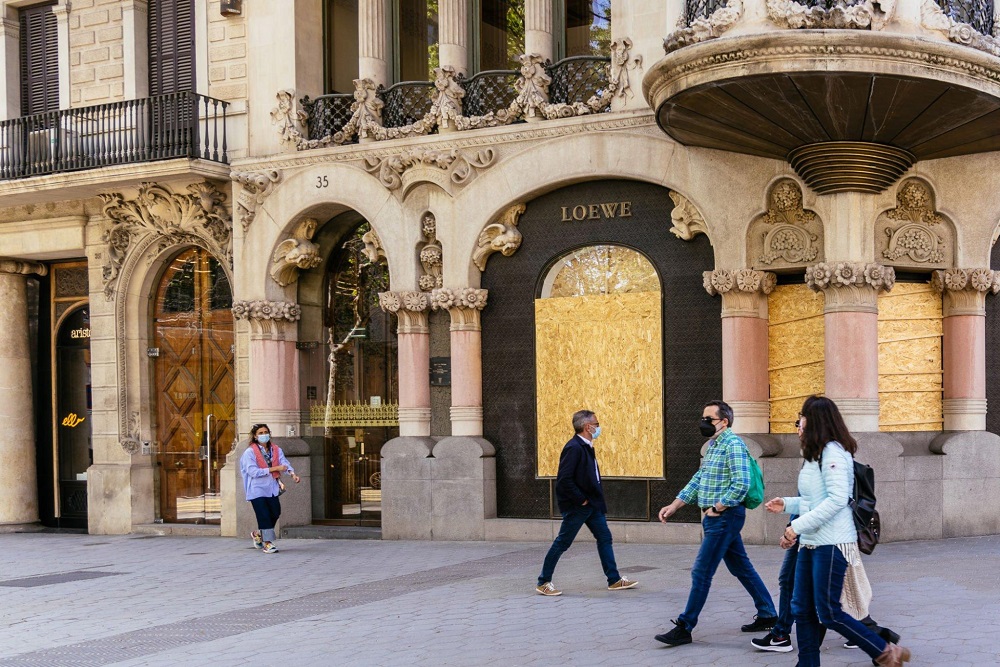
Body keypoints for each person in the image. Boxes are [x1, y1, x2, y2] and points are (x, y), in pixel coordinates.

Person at [764, 396, 910, 667]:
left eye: (802, 416)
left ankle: (884, 651)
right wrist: (786, 504)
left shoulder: (834, 453)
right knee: (802, 609)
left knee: (829, 612)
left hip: (832, 543)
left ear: (815, 420)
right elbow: (812, 500)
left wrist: (795, 527)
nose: (799, 422)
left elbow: (836, 500)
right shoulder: (813, 454)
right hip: (811, 541)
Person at [654, 400, 777, 647]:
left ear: (724, 422)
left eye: (708, 419)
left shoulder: (733, 445)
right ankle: (768, 614)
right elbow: (700, 478)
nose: (704, 423)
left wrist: (717, 508)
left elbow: (741, 484)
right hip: (717, 518)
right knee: (741, 567)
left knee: (701, 571)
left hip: (723, 518)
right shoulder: (714, 445)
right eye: (703, 418)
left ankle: (685, 626)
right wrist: (675, 505)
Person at [535, 410, 638, 596]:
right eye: (596, 424)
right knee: (562, 542)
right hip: (579, 506)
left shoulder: (586, 446)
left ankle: (613, 579)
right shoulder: (574, 448)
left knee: (604, 538)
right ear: (587, 427)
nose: (598, 428)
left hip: (593, 504)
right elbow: (564, 479)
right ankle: (543, 582)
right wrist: (581, 499)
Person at [240, 423, 300, 554]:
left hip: (271, 488)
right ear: (255, 436)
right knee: (264, 515)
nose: (263, 435)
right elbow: (253, 472)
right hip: (257, 489)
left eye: (265, 432)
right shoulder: (249, 452)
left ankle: (258, 534)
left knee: (275, 512)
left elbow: (284, 463)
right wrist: (275, 469)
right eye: (260, 433)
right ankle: (267, 543)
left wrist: (292, 474)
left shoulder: (275, 449)